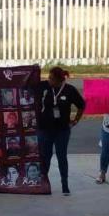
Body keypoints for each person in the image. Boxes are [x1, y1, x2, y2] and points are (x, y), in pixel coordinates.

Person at [37, 66, 85, 196]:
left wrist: (75, 121)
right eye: (48, 77)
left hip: (62, 130)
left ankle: (65, 184)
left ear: (59, 80)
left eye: (51, 78)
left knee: (61, 156)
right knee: (45, 157)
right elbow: (27, 85)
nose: (49, 80)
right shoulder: (43, 86)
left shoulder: (69, 90)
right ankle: (44, 184)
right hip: (45, 129)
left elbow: (81, 105)